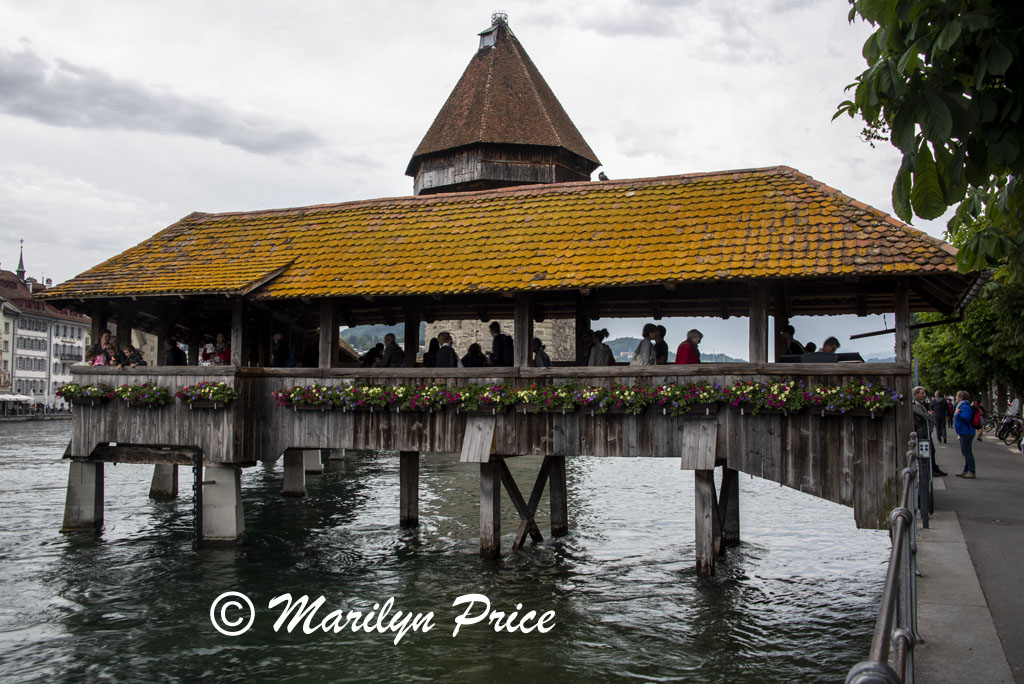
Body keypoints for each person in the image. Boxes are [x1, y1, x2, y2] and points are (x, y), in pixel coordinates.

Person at [913, 386, 947, 476]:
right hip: (923, 431)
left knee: (931, 450)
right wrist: (929, 415)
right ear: (915, 394)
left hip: (926, 430)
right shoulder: (916, 404)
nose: (924, 395)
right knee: (930, 450)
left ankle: (934, 469)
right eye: (922, 393)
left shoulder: (920, 403)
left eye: (924, 393)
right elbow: (924, 416)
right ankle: (932, 470)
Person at [953, 390, 976, 478]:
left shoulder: (964, 407)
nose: (956, 398)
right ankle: (966, 470)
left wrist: (958, 414)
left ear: (961, 398)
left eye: (957, 396)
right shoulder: (962, 406)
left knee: (967, 452)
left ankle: (971, 470)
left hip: (966, 431)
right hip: (963, 431)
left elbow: (966, 418)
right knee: (965, 452)